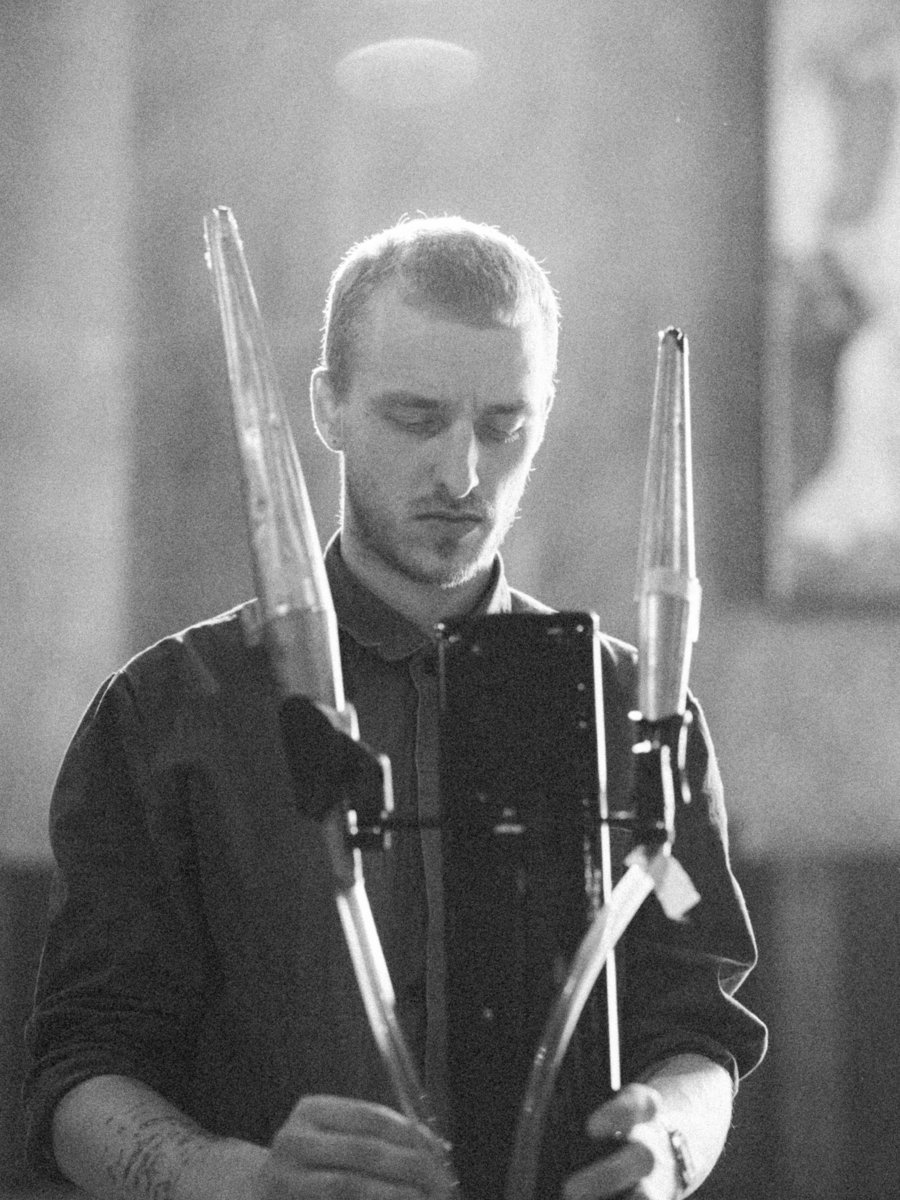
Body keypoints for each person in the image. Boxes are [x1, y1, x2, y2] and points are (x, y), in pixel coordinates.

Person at [24, 215, 766, 1200]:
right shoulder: (168, 712)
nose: (462, 475)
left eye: (503, 425)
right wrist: (235, 1179)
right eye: (416, 418)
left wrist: (669, 1142)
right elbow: (78, 1072)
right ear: (327, 406)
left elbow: (701, 1033)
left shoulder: (632, 707)